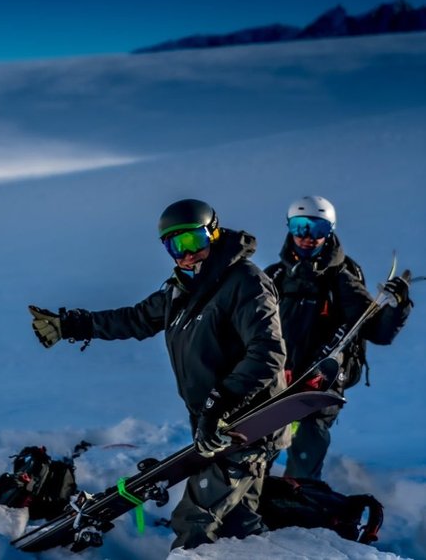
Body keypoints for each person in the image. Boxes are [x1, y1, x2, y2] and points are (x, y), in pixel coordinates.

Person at [29, 198, 288, 550]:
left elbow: (267, 353)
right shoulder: (180, 290)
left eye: (192, 242)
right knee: (237, 523)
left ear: (212, 234)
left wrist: (220, 404)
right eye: (174, 246)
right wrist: (74, 324)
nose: (185, 254)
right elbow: (135, 318)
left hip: (245, 423)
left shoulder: (245, 282)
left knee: (194, 520)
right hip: (212, 421)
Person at [264, 196, 412, 480]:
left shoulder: (341, 278)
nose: (308, 237)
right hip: (277, 382)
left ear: (330, 231)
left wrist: (398, 307)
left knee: (305, 444)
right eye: (300, 227)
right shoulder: (276, 276)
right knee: (258, 448)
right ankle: (249, 505)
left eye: (317, 229)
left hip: (319, 385)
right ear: (289, 228)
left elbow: (377, 331)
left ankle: (298, 509)